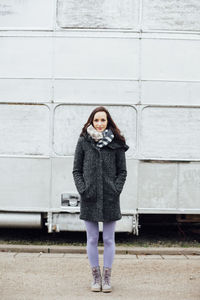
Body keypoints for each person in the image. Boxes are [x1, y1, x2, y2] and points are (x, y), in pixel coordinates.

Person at [72, 106, 129, 293]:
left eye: (103, 120)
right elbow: (76, 170)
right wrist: (83, 189)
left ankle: (107, 278)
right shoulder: (83, 142)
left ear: (108, 122)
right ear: (91, 121)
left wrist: (116, 189)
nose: (99, 124)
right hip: (89, 197)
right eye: (96, 120)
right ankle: (95, 278)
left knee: (109, 239)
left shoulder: (117, 143)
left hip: (110, 197)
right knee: (92, 239)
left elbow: (122, 172)